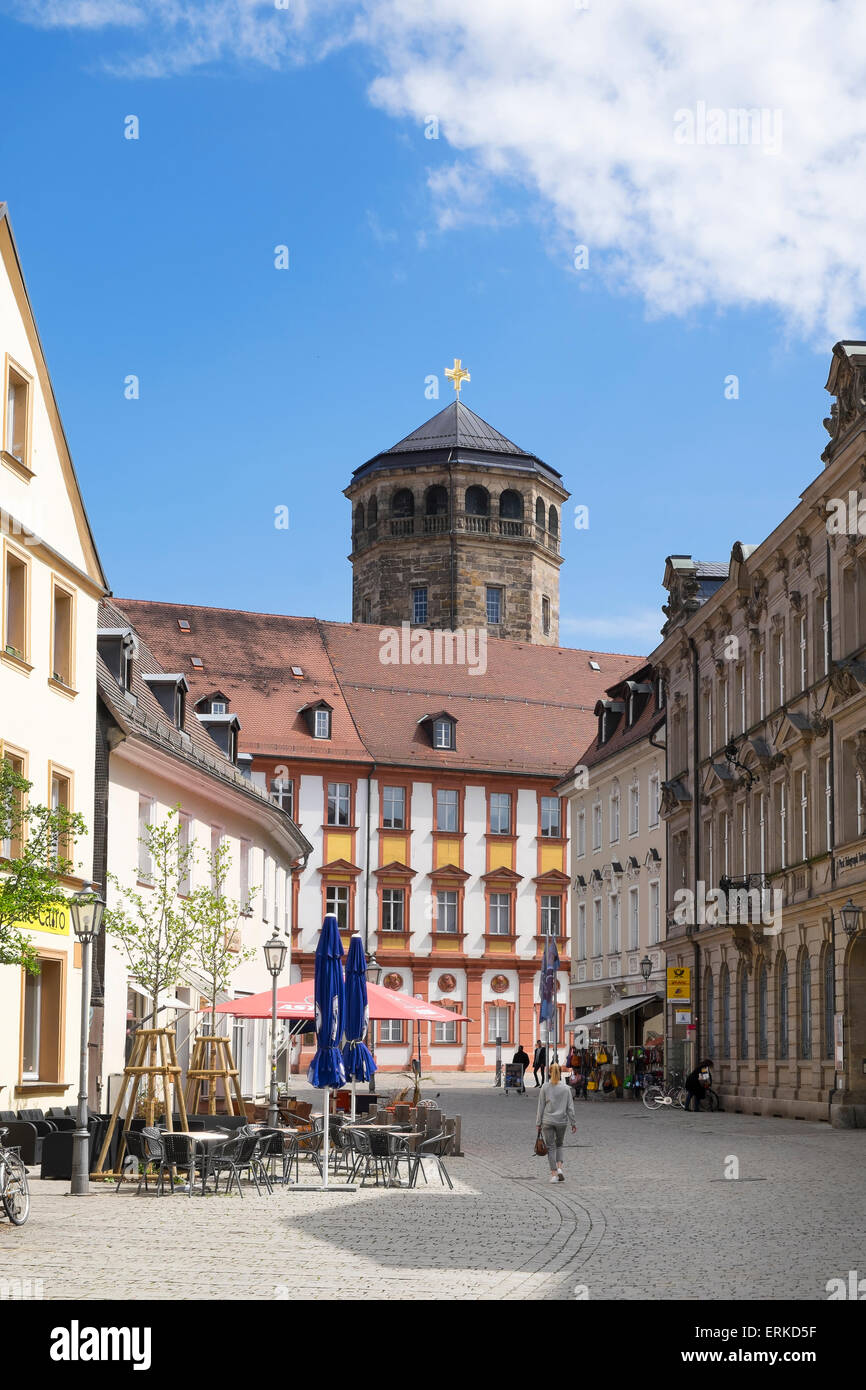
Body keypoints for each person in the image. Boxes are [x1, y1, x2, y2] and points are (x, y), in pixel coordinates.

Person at [536, 1063, 576, 1182]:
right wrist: (573, 1123)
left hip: (547, 1121)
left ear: (549, 1073)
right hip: (561, 1121)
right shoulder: (566, 1088)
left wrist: (538, 1123)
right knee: (559, 1144)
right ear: (561, 1073)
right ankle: (559, 1168)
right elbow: (570, 1108)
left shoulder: (544, 1087)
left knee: (551, 1147)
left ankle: (553, 1174)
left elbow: (541, 1106)